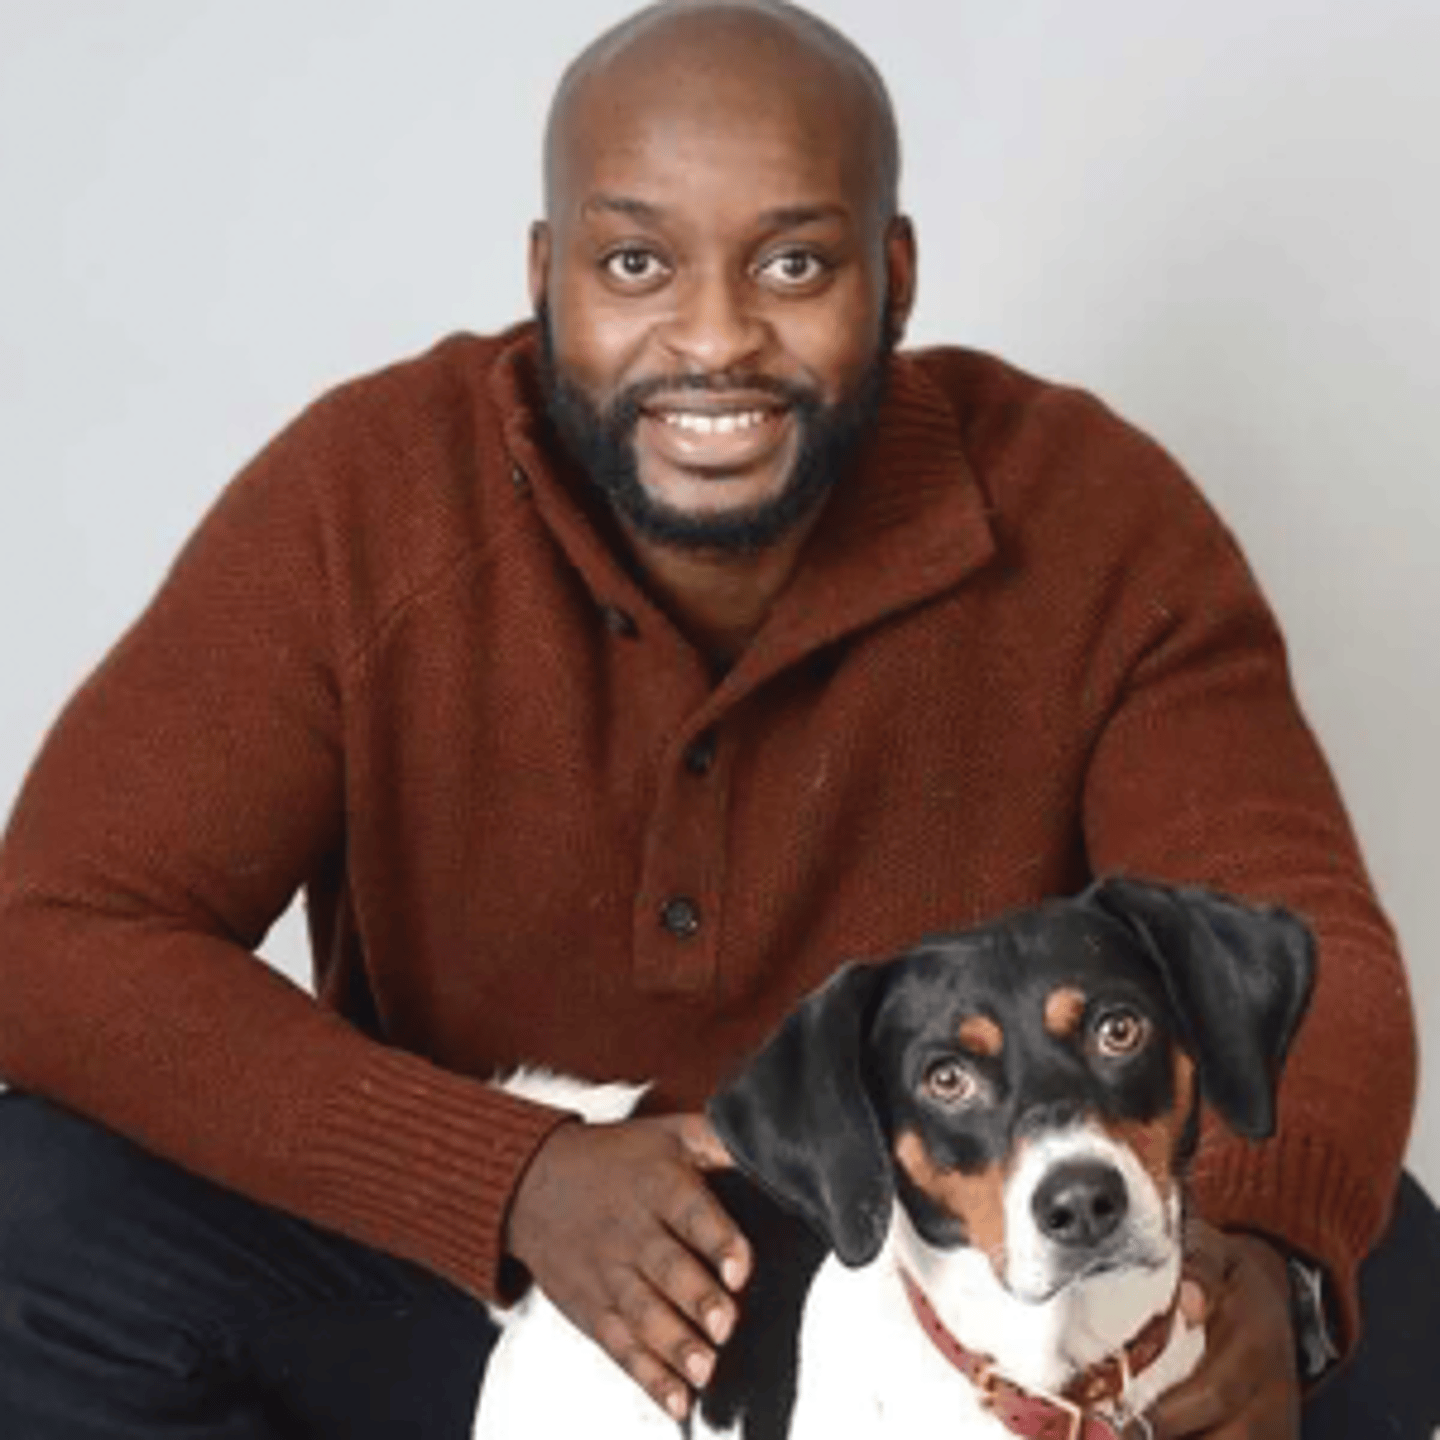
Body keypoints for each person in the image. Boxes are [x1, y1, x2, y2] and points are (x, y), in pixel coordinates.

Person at [0, 1, 1416, 1436]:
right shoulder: (363, 501)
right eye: (634, 263)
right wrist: (508, 1174)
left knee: (1376, 1276)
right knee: (27, 1218)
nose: (717, 336)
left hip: (967, 1294)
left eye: (795, 262)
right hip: (488, 1289)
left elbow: (1310, 941)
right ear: (548, 277)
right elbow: (55, 928)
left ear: (897, 276)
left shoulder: (1094, 517)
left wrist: (1268, 1267)